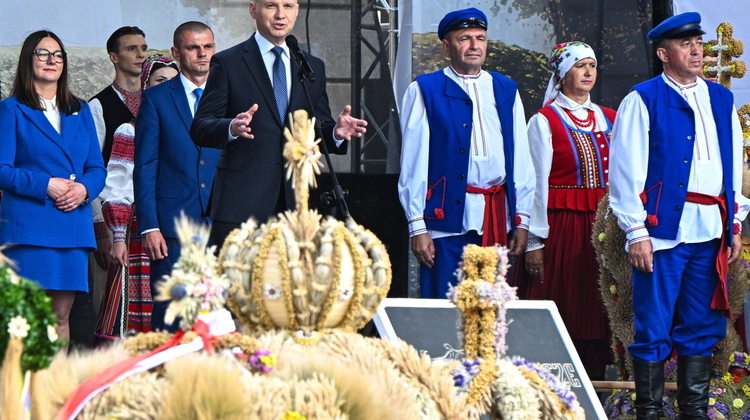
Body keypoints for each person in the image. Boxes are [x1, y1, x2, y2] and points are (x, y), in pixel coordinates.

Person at [609, 12, 750, 419]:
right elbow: (624, 172)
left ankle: (693, 412)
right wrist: (636, 231)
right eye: (685, 44)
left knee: (702, 326)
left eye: (699, 44)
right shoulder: (643, 98)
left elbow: (733, 164)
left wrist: (734, 223)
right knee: (652, 327)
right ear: (662, 53)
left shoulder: (721, 98)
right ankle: (648, 412)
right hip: (662, 233)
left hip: (710, 230)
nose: (696, 50)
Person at [191, 0, 367, 248]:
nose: (280, 14)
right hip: (241, 204)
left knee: (288, 284)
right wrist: (231, 127)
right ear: (254, 10)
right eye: (271, 5)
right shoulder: (228, 62)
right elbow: (200, 127)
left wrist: (336, 133)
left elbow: (318, 129)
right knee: (237, 285)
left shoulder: (311, 66)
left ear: (297, 10)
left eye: (288, 6)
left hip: (295, 204)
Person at [397, 7, 535, 299]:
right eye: (465, 38)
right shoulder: (425, 89)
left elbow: (520, 158)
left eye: (480, 38)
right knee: (444, 306)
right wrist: (417, 226)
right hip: (445, 220)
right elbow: (413, 162)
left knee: (491, 310)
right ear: (447, 46)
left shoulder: (505, 89)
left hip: (497, 215)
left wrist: (522, 218)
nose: (474, 45)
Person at [0, 30, 106, 351]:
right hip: (29, 229)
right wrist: (45, 183)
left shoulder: (81, 110)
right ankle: (21, 397)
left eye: (58, 55)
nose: (51, 60)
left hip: (71, 226)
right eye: (43, 53)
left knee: (61, 318)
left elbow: (96, 169)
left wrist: (84, 190)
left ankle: (55, 394)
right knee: (26, 319)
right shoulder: (10, 110)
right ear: (28, 60)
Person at [523, 42, 615, 379]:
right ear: (562, 75)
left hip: (603, 229)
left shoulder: (609, 118)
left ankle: (596, 389)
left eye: (592, 65)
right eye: (580, 66)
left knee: (599, 307)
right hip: (562, 227)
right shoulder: (544, 121)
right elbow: (535, 183)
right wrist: (535, 242)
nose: (589, 72)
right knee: (566, 306)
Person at [134, 22, 220, 332]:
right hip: (171, 229)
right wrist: (150, 225)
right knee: (173, 319)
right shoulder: (156, 99)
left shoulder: (229, 94)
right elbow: (144, 166)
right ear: (176, 52)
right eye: (193, 47)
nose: (202, 54)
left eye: (208, 47)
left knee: (219, 320)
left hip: (221, 223)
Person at [95, 55, 179, 342]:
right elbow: (117, 188)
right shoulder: (130, 130)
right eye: (160, 81)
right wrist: (118, 237)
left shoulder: (188, 132)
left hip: (174, 232)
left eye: (173, 82)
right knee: (136, 314)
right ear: (146, 87)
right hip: (138, 235)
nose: (167, 88)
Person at [89, 26, 148, 274]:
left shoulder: (158, 101)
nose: (140, 55)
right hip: (113, 217)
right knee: (111, 299)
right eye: (131, 48)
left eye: (143, 48)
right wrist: (101, 227)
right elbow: (91, 166)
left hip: (151, 217)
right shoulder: (98, 105)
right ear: (114, 56)